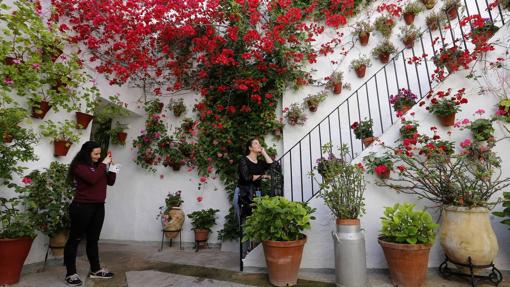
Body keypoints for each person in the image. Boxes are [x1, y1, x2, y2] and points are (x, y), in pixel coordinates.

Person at [63, 141, 117, 287]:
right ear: (87, 153)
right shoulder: (79, 167)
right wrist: (103, 164)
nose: (99, 156)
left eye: (100, 153)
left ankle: (96, 269)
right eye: (96, 154)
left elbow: (110, 181)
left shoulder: (98, 166)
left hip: (99, 207)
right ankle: (71, 273)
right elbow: (92, 179)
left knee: (93, 240)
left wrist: (113, 167)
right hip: (82, 207)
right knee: (74, 239)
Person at [235, 138, 273, 222]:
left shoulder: (260, 162)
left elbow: (271, 164)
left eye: (259, 143)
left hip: (257, 193)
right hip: (244, 193)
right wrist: (263, 176)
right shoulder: (243, 160)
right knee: (245, 222)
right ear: (250, 148)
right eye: (256, 143)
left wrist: (264, 152)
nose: (259, 145)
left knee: (257, 222)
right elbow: (247, 177)